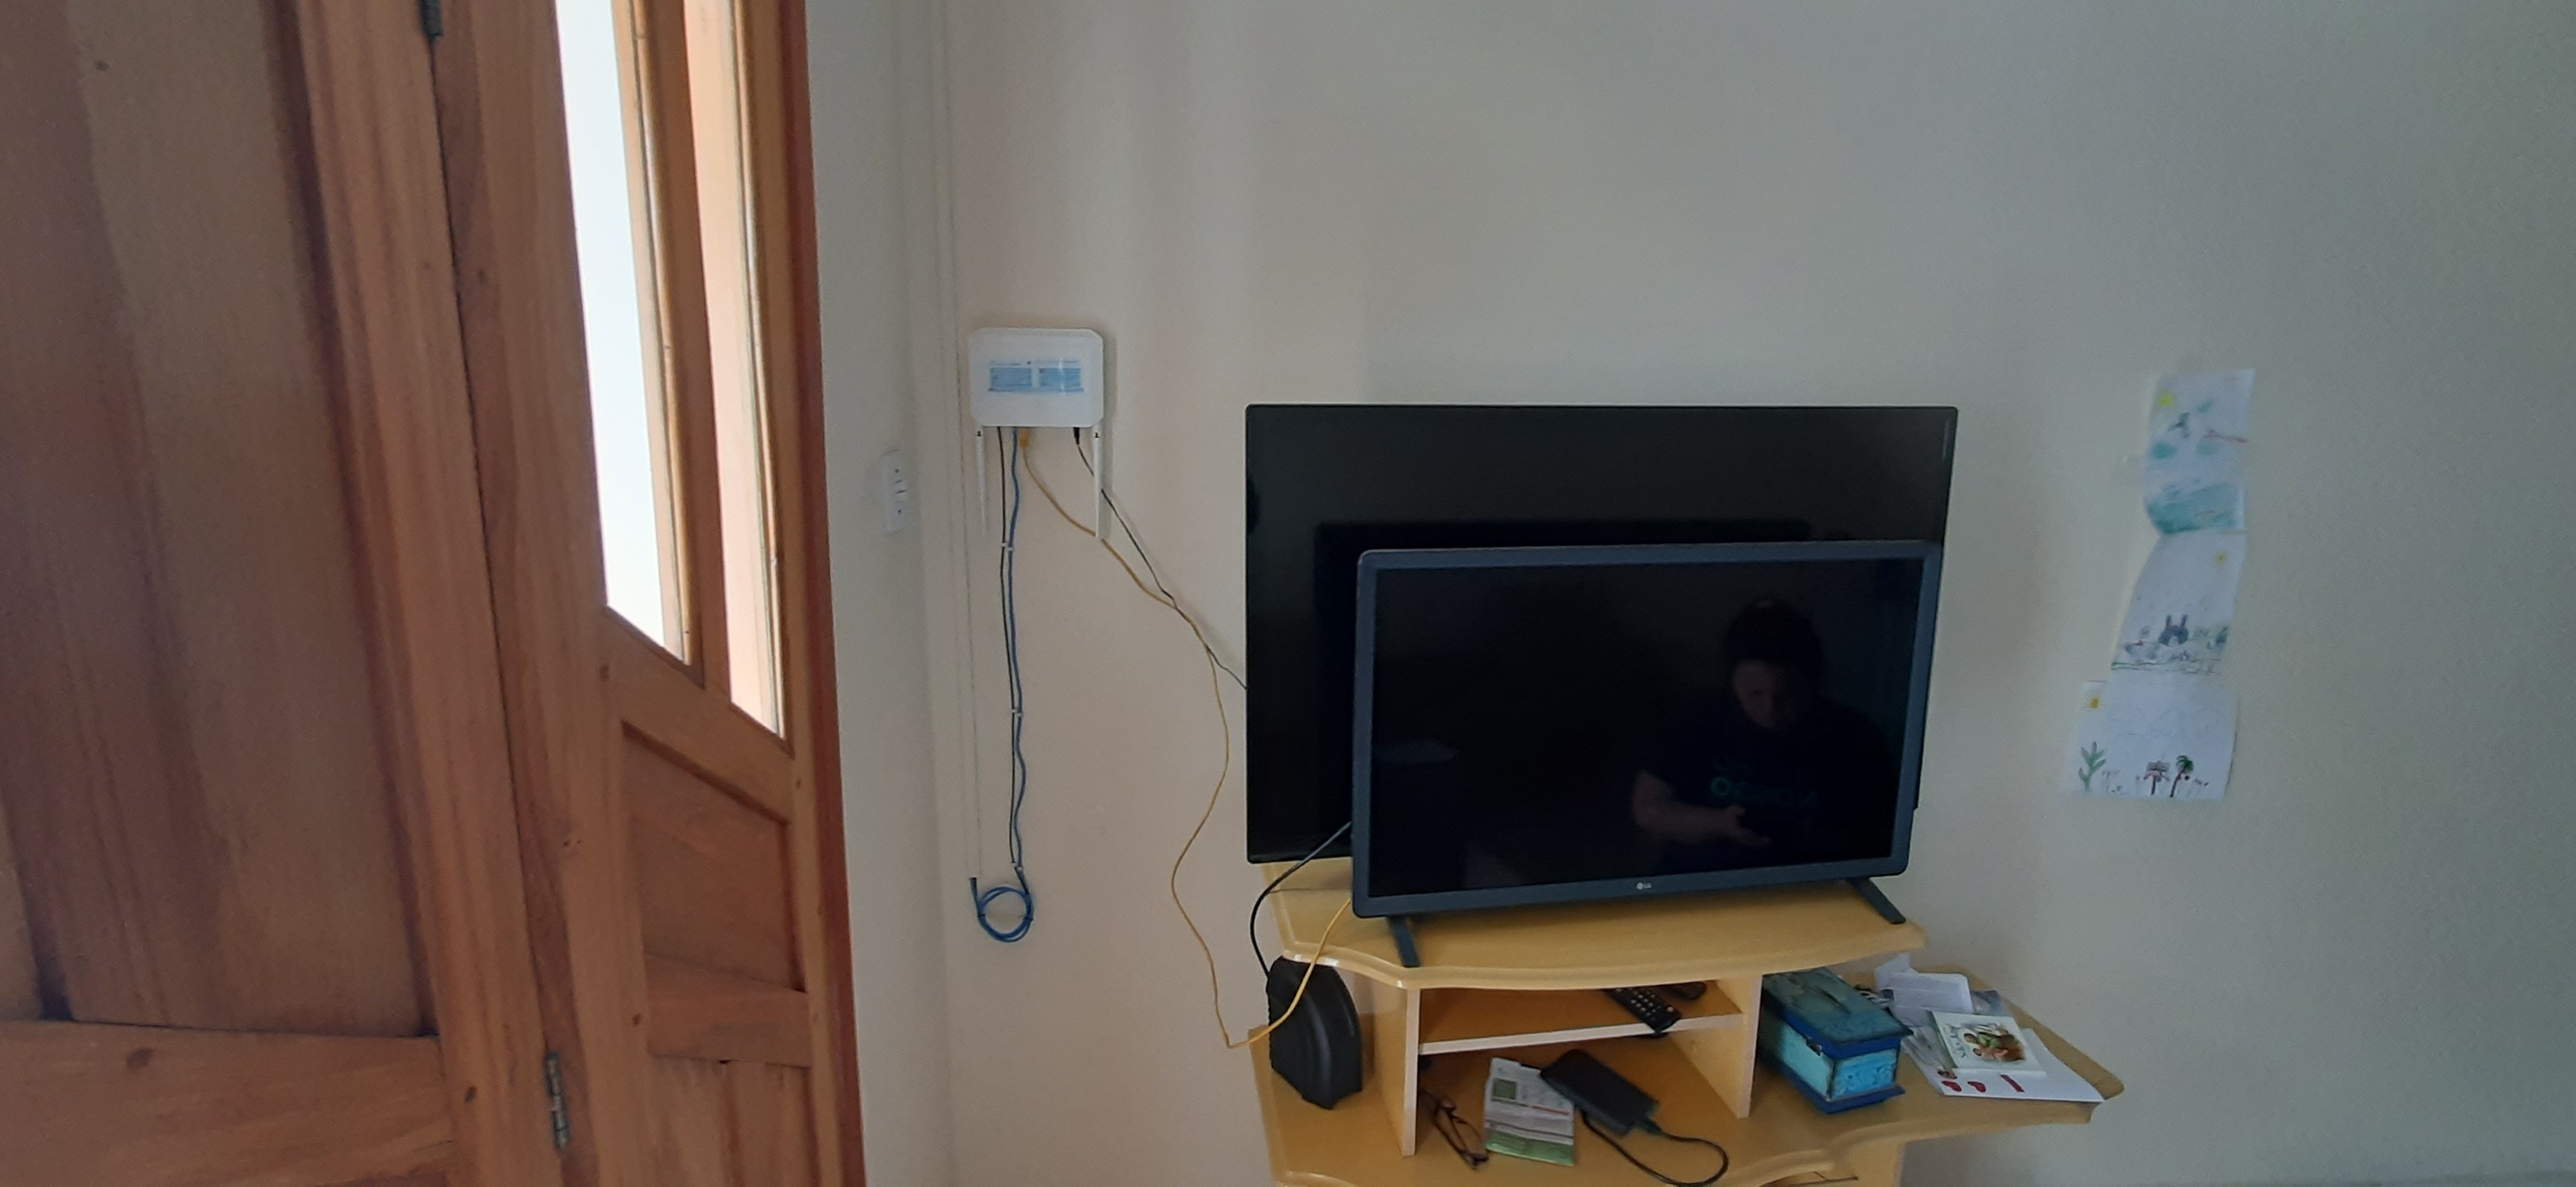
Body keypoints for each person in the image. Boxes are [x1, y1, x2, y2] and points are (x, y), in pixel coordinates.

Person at [1629, 599, 1898, 870]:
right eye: (1755, 694)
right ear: (1733, 681)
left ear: (1812, 684)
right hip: (1705, 879)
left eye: (1788, 695)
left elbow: (1880, 835)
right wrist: (1721, 823)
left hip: (1812, 880)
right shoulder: (1695, 719)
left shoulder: (1855, 737)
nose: (1771, 710)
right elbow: (1649, 811)